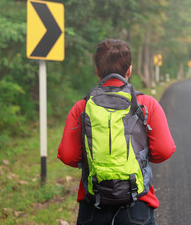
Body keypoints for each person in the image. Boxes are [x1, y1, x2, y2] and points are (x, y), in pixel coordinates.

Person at [57, 39, 176, 224]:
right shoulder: (147, 105)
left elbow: (67, 155)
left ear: (97, 70)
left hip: (93, 204)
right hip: (137, 203)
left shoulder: (82, 107)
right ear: (129, 70)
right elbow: (164, 150)